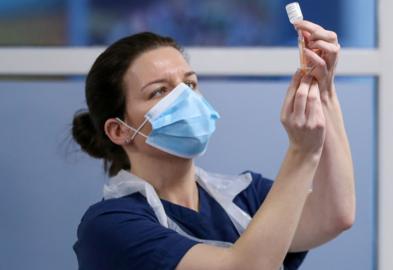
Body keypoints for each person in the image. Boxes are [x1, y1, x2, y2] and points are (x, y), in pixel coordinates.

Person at [72, 19, 355, 270]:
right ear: (119, 130)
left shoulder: (246, 197)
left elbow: (334, 215)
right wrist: (302, 153)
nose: (185, 98)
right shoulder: (110, 227)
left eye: (190, 84)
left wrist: (325, 90)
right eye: (159, 91)